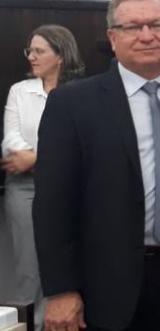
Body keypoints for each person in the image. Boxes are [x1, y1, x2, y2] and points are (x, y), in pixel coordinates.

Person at [33, 0, 160, 331]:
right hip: (104, 281)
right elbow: (53, 205)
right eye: (132, 27)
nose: (146, 36)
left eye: (158, 25)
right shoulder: (72, 104)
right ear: (113, 37)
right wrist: (61, 290)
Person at [2, 25, 84, 331]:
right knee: (29, 268)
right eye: (30, 51)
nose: (32, 57)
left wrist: (35, 159)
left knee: (67, 263)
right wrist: (46, 159)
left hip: (70, 188)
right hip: (24, 189)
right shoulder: (20, 91)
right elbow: (11, 142)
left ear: (60, 56)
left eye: (39, 51)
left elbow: (81, 146)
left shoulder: (81, 92)